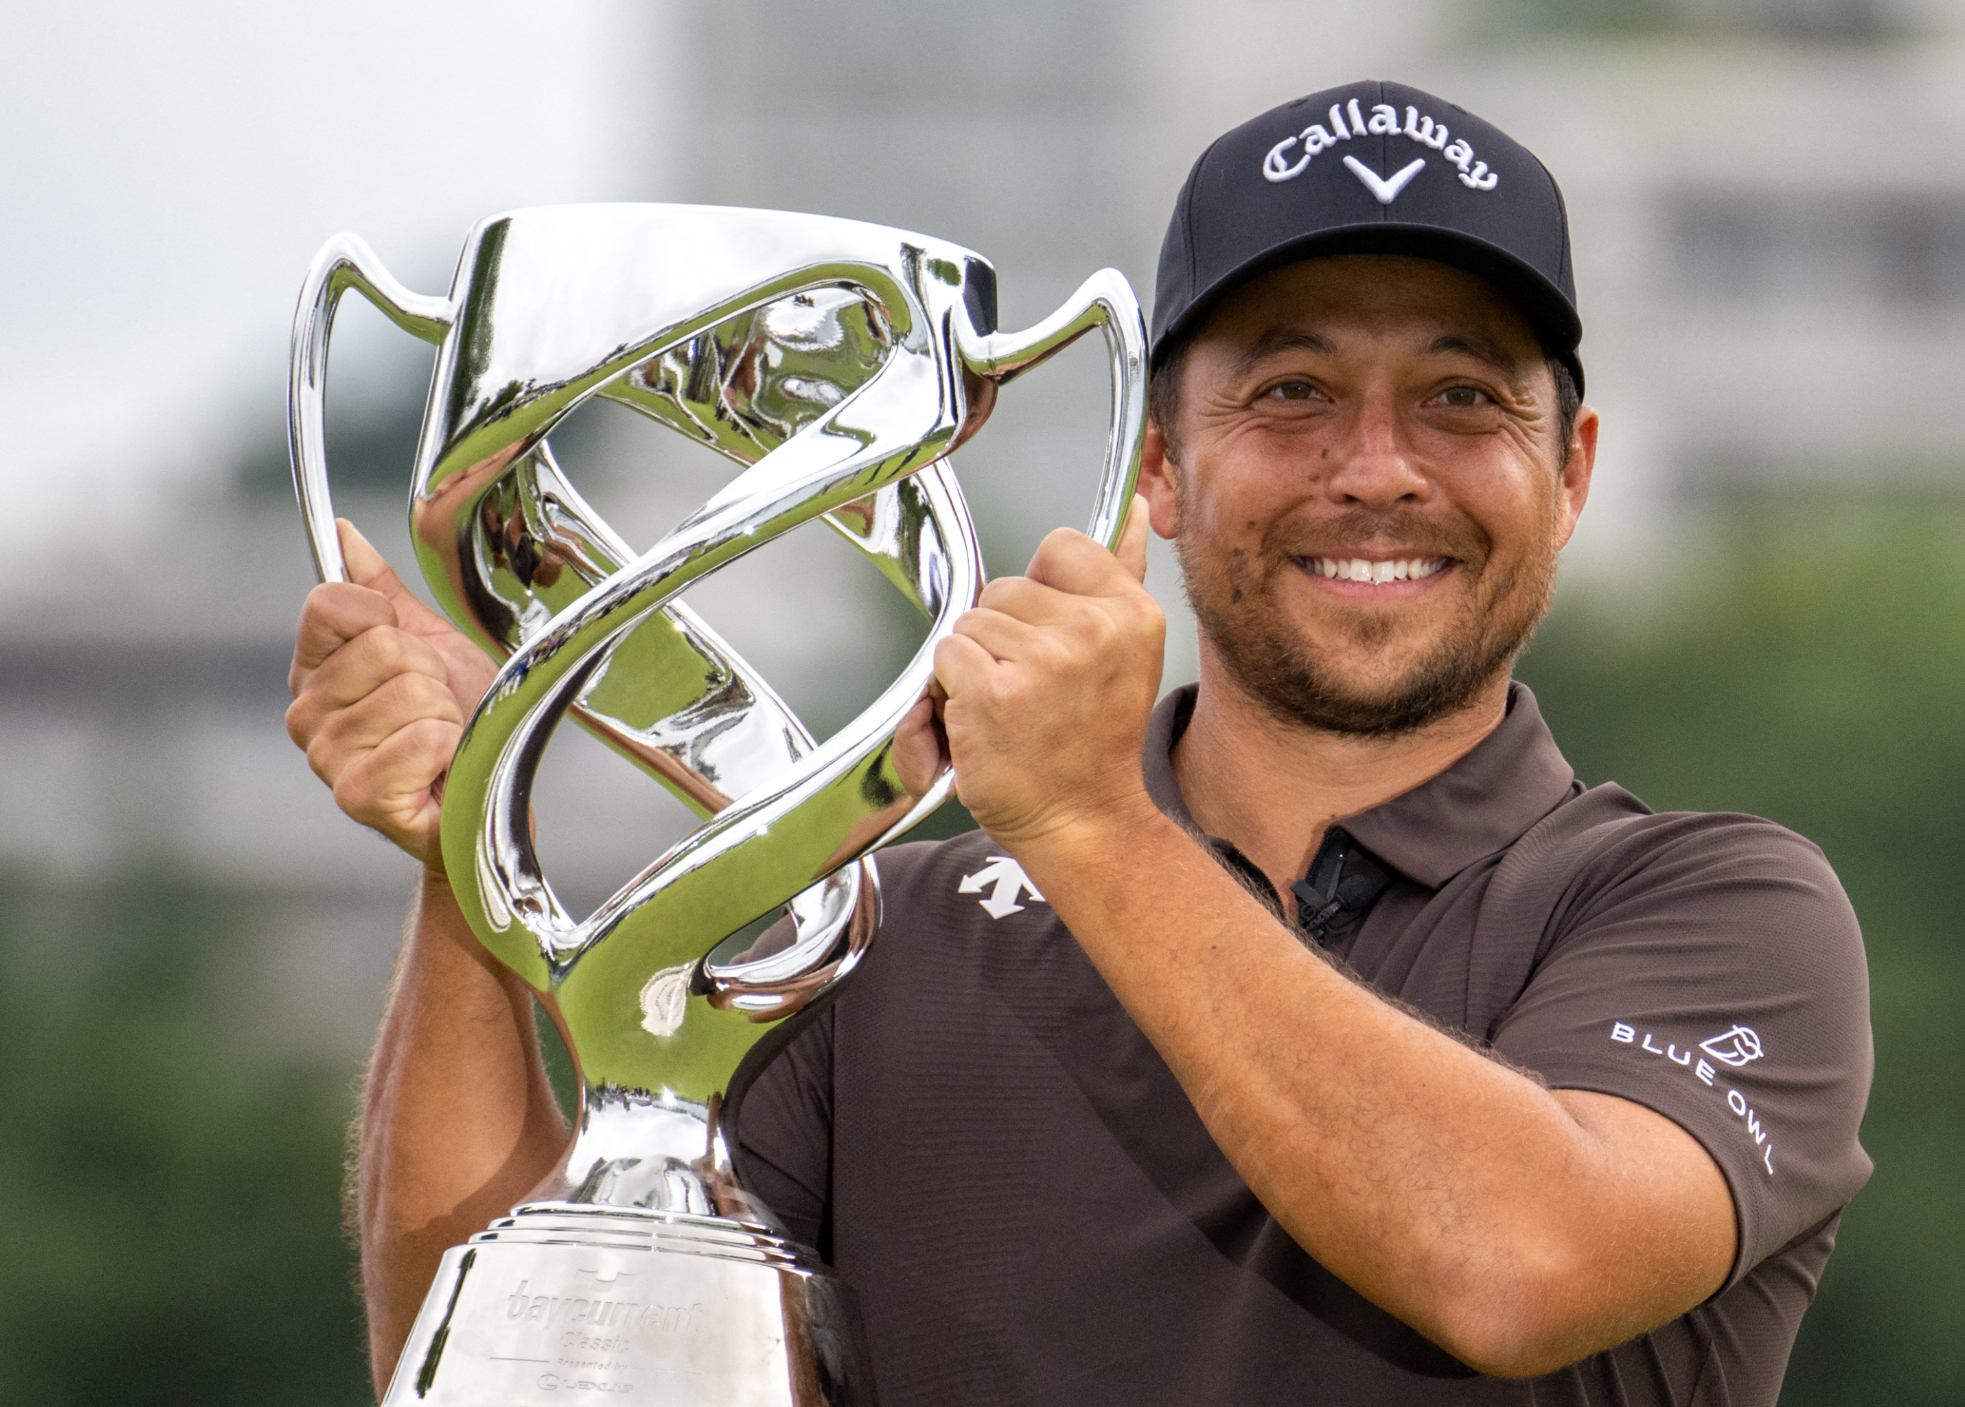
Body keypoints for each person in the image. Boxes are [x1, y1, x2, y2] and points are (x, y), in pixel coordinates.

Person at [287, 80, 1872, 1407]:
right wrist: (473, 849)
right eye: (1295, 391)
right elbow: (519, 1369)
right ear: (1163, 468)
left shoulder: (1713, 909)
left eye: (1462, 398)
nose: (1379, 469)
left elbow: (1515, 1265)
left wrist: (1093, 826)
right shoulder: (874, 939)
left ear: (1569, 471)